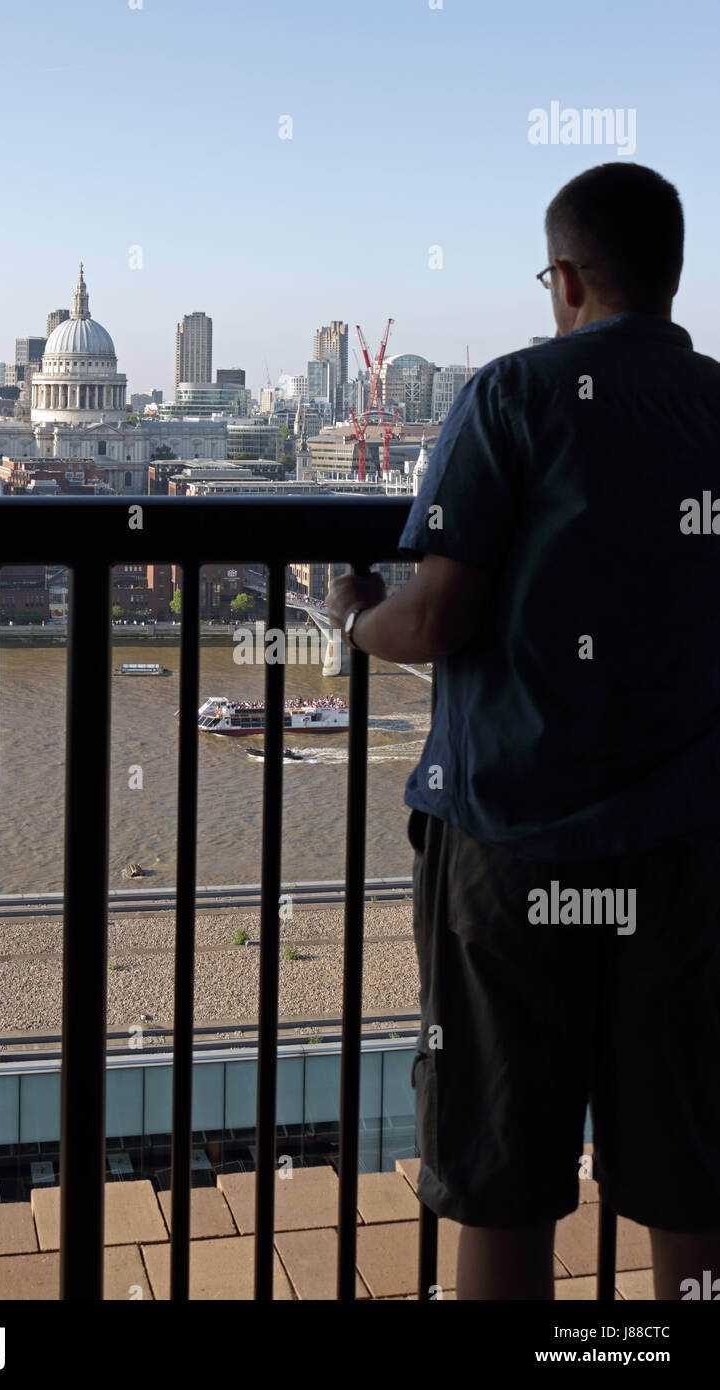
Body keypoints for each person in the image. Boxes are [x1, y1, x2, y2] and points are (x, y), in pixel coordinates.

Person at [326, 163, 720, 1301]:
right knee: (686, 1177)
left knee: (501, 1176)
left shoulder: (509, 396)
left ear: (561, 278)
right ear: (669, 273)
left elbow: (436, 614)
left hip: (515, 839)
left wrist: (353, 619)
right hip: (688, 850)